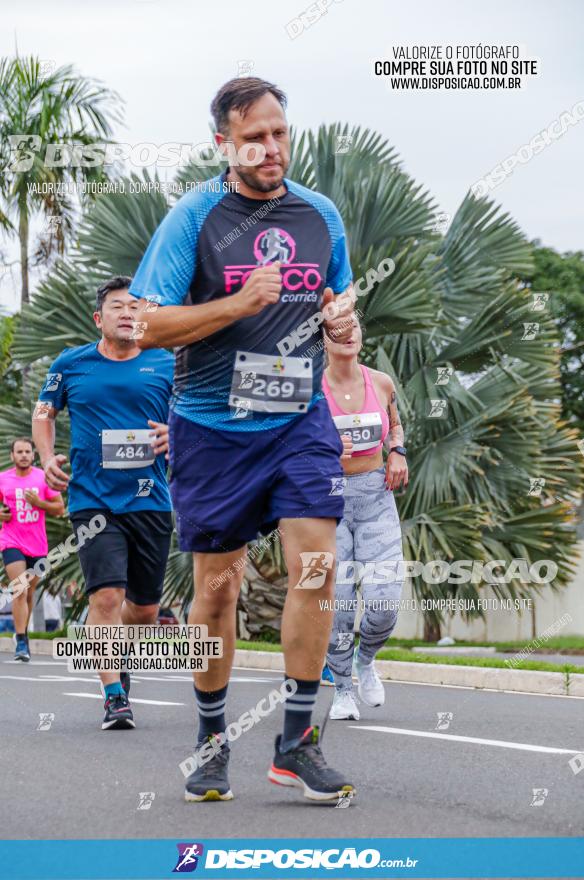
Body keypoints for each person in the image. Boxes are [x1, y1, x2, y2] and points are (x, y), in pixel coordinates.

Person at [129, 77, 356, 803]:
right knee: (217, 590)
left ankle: (295, 742)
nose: (270, 148)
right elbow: (148, 325)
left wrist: (343, 328)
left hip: (299, 422)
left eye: (279, 133)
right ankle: (210, 740)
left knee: (315, 566)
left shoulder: (320, 215)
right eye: (253, 136)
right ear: (223, 142)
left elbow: (337, 306)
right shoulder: (195, 215)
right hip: (211, 426)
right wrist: (237, 302)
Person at [33, 276, 174, 730]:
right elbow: (44, 414)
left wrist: (177, 435)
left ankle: (120, 657)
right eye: (117, 306)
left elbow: (194, 415)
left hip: (151, 499)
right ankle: (114, 694)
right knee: (107, 594)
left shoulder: (165, 363)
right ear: (100, 318)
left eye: (135, 307)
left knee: (146, 610)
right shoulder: (70, 364)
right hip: (92, 498)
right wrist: (44, 456)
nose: (128, 313)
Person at [322, 314, 408, 720]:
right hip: (328, 502)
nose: (346, 333)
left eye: (352, 326)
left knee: (386, 600)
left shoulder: (381, 382)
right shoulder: (310, 391)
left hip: (376, 496)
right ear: (323, 340)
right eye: (335, 328)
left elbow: (395, 424)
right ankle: (341, 690)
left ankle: (366, 660)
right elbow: (285, 443)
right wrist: (322, 451)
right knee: (336, 606)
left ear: (360, 334)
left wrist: (397, 452)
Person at [0, 438, 65, 660]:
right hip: (11, 541)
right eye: (19, 452)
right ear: (12, 456)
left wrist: (39, 503)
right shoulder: (3, 479)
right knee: (19, 589)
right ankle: (21, 642)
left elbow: (59, 508)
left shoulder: (42, 477)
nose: (24, 455)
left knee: (29, 593)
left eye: (28, 451)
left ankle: (22, 634)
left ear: (33, 455)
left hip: (38, 545)